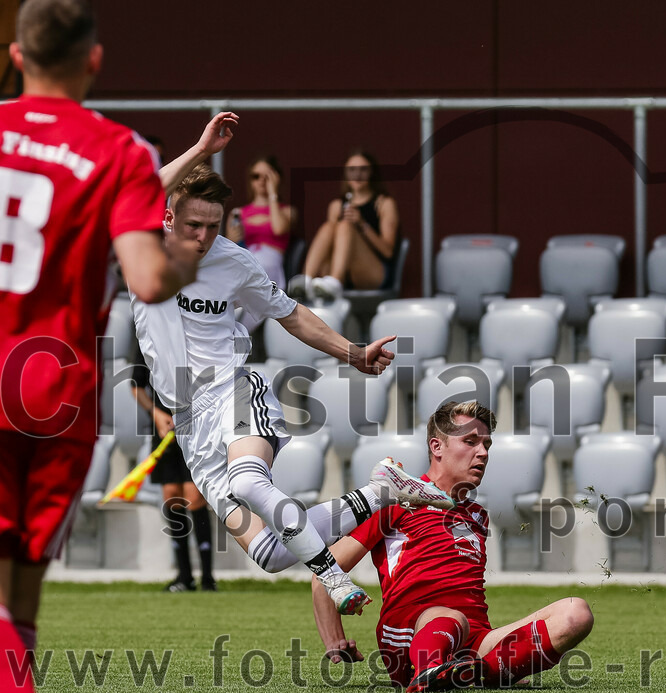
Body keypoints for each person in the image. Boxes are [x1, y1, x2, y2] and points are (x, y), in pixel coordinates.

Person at [0, 0, 203, 693]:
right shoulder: (120, 151)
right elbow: (150, 279)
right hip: (57, 396)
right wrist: (189, 257)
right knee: (21, 599)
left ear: (16, 56)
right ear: (94, 62)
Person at [130, 159, 455, 623]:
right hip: (188, 422)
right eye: (192, 225)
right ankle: (381, 493)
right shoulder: (141, 248)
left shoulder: (234, 261)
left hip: (233, 391)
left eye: (213, 225)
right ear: (165, 218)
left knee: (248, 481)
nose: (203, 237)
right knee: (270, 554)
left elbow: (291, 314)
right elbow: (133, 190)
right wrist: (202, 147)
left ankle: (332, 576)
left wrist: (352, 352)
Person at [311, 401, 595, 693]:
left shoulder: (477, 515)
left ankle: (480, 671)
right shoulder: (396, 499)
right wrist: (334, 641)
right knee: (452, 618)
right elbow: (324, 568)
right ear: (437, 447)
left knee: (576, 614)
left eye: (486, 444)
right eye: (470, 442)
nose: (482, 453)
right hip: (409, 635)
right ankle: (430, 670)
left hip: (471, 639)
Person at [130, 346, 216, 592]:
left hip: (197, 429)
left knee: (195, 498)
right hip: (165, 431)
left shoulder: (195, 337)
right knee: (172, 496)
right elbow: (136, 386)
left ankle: (208, 578)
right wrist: (156, 413)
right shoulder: (148, 340)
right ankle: (184, 576)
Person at [289, 149, 401, 300]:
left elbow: (388, 252)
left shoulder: (384, 203)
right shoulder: (336, 205)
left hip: (373, 273)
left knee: (345, 226)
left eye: (363, 169)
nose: (357, 175)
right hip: (340, 270)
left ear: (372, 173)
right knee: (330, 227)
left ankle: (334, 282)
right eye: (352, 170)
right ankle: (306, 280)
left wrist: (362, 224)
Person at [225, 155, 296, 290]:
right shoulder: (237, 213)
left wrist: (272, 192)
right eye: (256, 176)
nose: (261, 181)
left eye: (267, 176)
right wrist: (232, 238)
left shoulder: (287, 211)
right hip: (245, 262)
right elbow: (228, 247)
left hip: (270, 265)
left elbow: (279, 228)